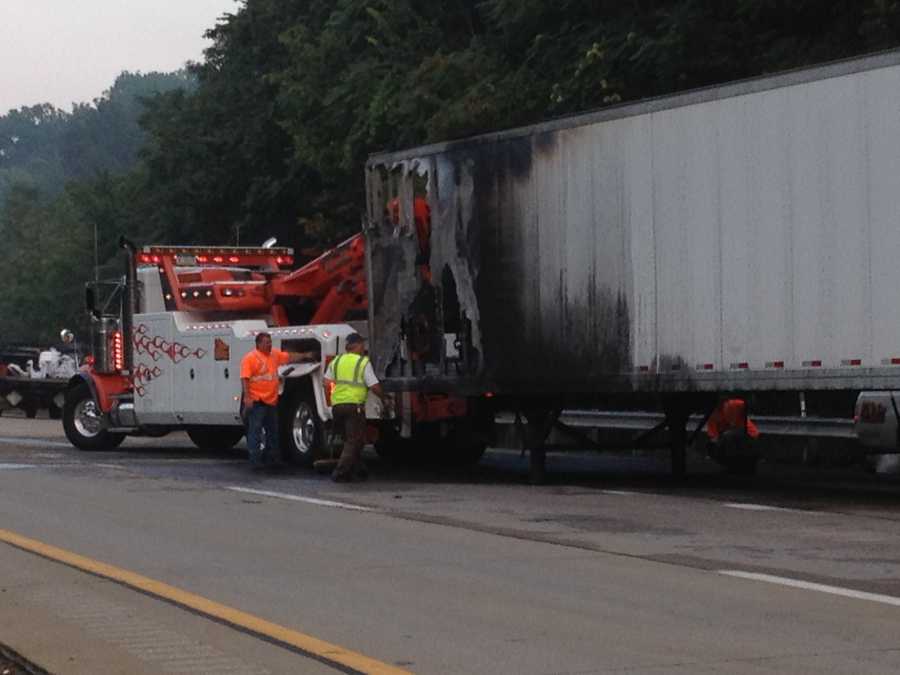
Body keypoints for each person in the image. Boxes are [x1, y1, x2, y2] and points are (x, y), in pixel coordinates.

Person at [240, 332, 313, 469]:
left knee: (273, 431)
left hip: (271, 401)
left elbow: (289, 357)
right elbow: (245, 378)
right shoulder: (250, 359)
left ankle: (271, 459)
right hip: (257, 402)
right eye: (267, 342)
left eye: (270, 342)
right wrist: (247, 397)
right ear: (259, 344)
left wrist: (305, 356)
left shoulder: (274, 355)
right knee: (255, 431)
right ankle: (255, 460)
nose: (270, 344)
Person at [323, 333, 384, 482]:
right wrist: (385, 398)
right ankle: (340, 472)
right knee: (354, 440)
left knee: (351, 440)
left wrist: (330, 401)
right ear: (357, 345)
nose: (364, 348)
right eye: (362, 345)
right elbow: (374, 386)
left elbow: (326, 383)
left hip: (338, 406)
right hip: (354, 407)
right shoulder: (362, 363)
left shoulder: (337, 361)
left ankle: (358, 469)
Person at [706, 397, 760, 473]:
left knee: (728, 437)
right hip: (731, 440)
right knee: (722, 441)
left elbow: (748, 404)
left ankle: (738, 465)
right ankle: (733, 465)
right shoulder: (713, 416)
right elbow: (714, 437)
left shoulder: (733, 404)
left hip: (748, 434)